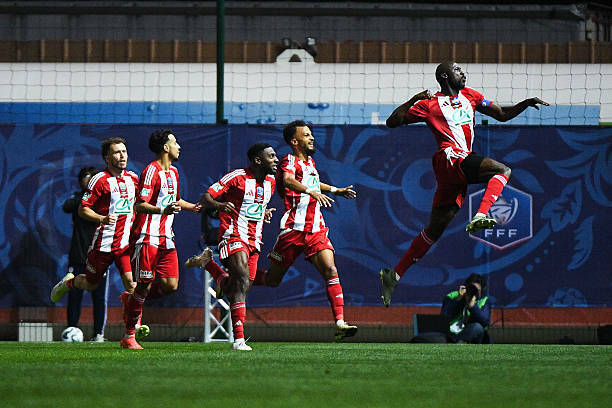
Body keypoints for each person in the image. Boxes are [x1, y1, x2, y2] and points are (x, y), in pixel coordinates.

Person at [380, 62, 549, 307]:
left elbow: (501, 115)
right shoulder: (429, 104)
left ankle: (393, 276)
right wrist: (413, 99)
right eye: (458, 70)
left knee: (433, 231)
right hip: (450, 157)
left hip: (455, 171)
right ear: (445, 76)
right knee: (503, 170)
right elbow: (392, 122)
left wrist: (524, 104)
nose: (464, 73)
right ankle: (480, 214)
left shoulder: (471, 96)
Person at [252, 120, 358, 341]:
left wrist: (336, 190)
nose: (312, 138)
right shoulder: (288, 161)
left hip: (316, 229)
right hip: (293, 230)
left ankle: (340, 323)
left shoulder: (310, 162)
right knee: (272, 280)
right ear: (295, 141)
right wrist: (311, 192)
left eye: (311, 134)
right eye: (307, 135)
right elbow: (288, 180)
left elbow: (315, 184)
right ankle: (237, 279)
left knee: (330, 269)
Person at [121, 129, 201, 349]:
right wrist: (162, 210)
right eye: (175, 143)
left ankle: (131, 299)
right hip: (146, 237)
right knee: (144, 285)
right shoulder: (151, 171)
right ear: (166, 147)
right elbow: (139, 205)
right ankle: (129, 336)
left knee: (170, 285)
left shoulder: (173, 172)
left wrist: (195, 207)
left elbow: (176, 200)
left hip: (166, 237)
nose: (179, 146)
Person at [197, 142, 278, 351]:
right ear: (258, 160)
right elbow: (206, 198)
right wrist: (220, 205)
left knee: (240, 288)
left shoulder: (271, 182)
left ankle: (212, 267)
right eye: (271, 156)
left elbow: (254, 205)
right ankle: (239, 340)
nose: (276, 160)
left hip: (255, 240)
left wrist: (263, 213)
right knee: (241, 280)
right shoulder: (236, 177)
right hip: (232, 235)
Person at [51, 138, 138, 317]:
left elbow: (136, 205)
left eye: (124, 151)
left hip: (124, 245)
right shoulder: (99, 180)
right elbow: (83, 210)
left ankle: (134, 327)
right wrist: (102, 218)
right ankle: (69, 283)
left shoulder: (134, 179)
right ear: (107, 158)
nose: (122, 156)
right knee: (91, 285)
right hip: (103, 244)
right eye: (117, 152)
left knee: (132, 284)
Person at [62, 166, 109, 342]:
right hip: (78, 255)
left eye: (91, 178)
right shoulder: (77, 198)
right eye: (86, 178)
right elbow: (66, 206)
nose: (88, 181)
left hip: (99, 255)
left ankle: (98, 334)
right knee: (74, 294)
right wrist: (86, 197)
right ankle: (71, 329)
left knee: (99, 297)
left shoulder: (103, 201)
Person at [441, 273, 491, 344]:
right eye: (471, 289)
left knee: (477, 328)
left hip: (474, 335)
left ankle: (462, 343)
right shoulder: (452, 296)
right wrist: (459, 300)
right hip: (453, 334)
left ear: (482, 290)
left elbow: (485, 322)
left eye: (477, 290)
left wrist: (473, 307)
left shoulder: (484, 301)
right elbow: (445, 316)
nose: (473, 292)